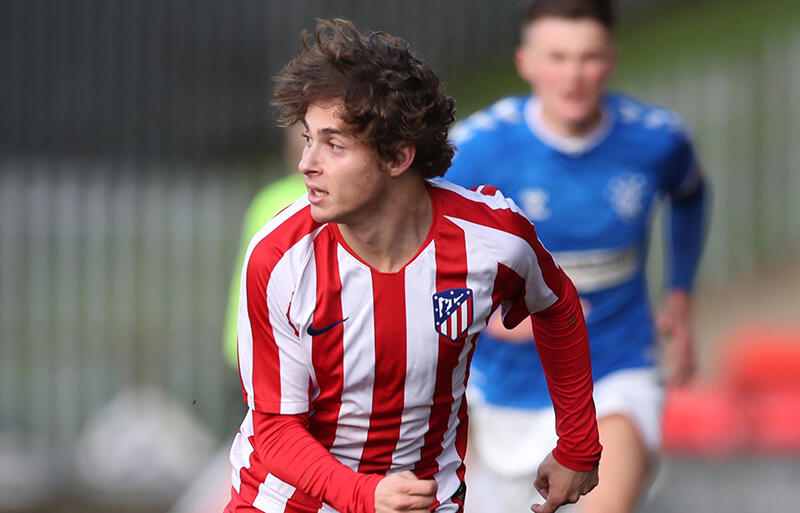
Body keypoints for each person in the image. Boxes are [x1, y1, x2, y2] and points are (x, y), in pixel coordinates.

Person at [225, 17, 602, 513]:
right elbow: (275, 428)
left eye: (333, 145)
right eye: (307, 138)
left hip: (423, 501)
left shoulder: (492, 239)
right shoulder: (278, 258)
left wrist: (578, 445)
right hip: (284, 501)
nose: (306, 164)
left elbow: (557, 306)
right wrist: (366, 495)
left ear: (398, 157)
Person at [445, 1, 708, 513]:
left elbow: (691, 194)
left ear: (611, 59)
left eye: (589, 57)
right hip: (501, 390)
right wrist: (487, 318)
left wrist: (680, 297)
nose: (573, 76)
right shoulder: (475, 149)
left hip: (614, 371)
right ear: (525, 62)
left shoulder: (658, 140)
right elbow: (423, 245)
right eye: (557, 57)